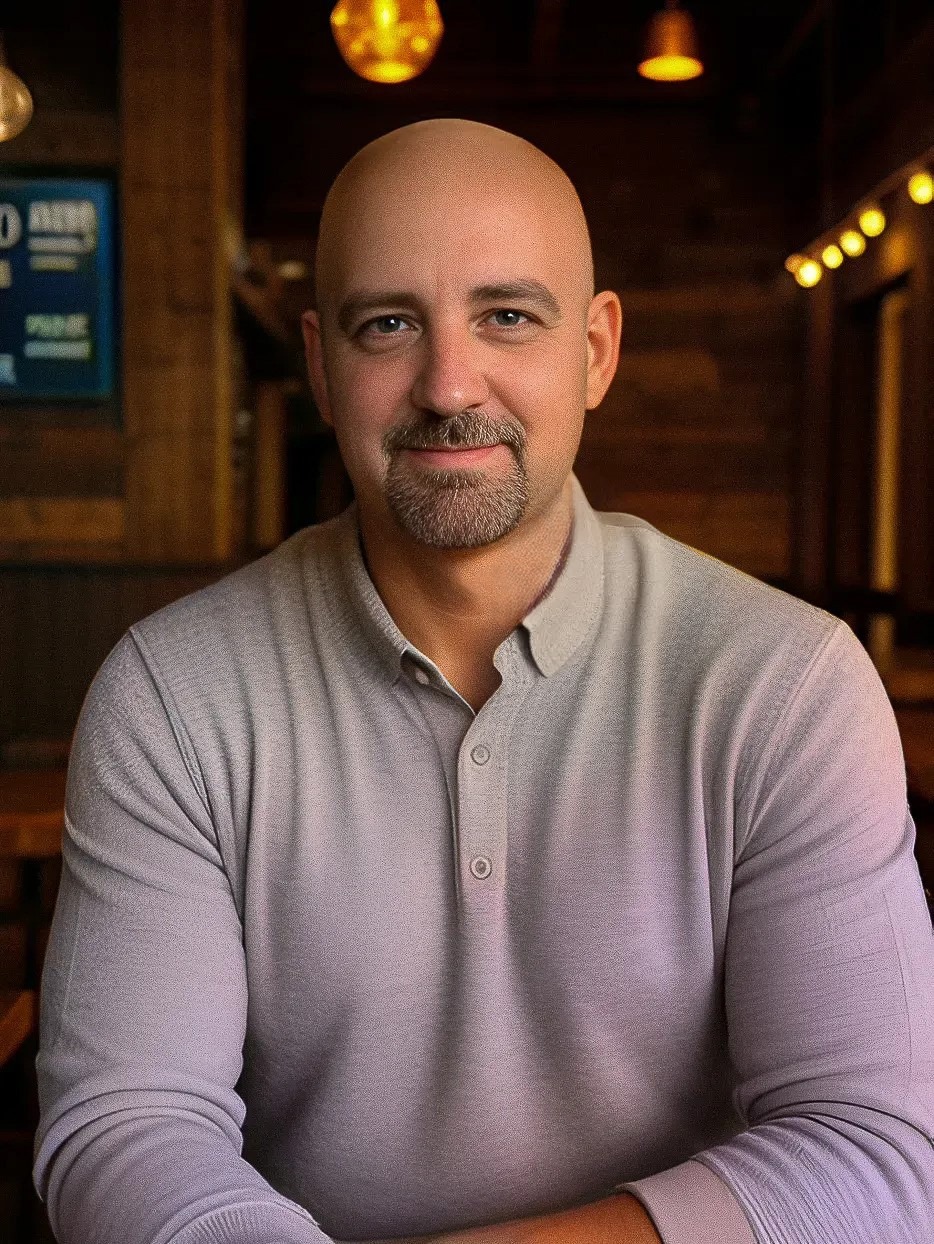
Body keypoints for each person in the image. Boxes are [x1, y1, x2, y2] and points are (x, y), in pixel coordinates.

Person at [34, 119, 933, 1244]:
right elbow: (126, 1124)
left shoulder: (784, 682)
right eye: (389, 323)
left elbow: (875, 1160)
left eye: (507, 314)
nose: (449, 382)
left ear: (596, 350)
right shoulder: (172, 692)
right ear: (319, 363)